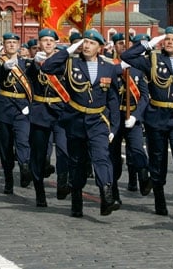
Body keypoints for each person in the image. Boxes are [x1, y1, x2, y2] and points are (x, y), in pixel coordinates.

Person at [120, 27, 173, 216]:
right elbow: (127, 56)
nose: (169, 42)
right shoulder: (153, 60)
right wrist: (146, 45)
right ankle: (159, 197)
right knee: (158, 159)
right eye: (167, 39)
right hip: (156, 117)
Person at [41, 29, 120, 217]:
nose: (86, 45)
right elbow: (47, 67)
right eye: (84, 42)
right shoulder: (71, 63)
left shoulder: (108, 67)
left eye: (92, 43)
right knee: (77, 163)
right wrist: (68, 50)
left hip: (98, 121)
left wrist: (114, 127)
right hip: (75, 119)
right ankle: (76, 198)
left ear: (100, 47)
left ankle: (106, 193)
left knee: (101, 157)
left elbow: (113, 99)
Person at [27, 28, 70, 207]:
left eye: (51, 41)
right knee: (38, 153)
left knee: (63, 150)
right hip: (40, 112)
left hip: (61, 111)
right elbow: (29, 78)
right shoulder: (34, 63)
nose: (48, 43)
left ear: (56, 43)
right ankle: (39, 190)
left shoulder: (64, 62)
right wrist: (35, 64)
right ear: (39, 44)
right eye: (44, 40)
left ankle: (62, 182)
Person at [108, 33, 152, 206]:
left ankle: (143, 176)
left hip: (132, 117)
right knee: (113, 158)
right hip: (114, 118)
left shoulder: (139, 69)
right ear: (115, 46)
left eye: (128, 44)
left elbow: (144, 97)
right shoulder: (109, 66)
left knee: (137, 150)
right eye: (120, 43)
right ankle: (114, 192)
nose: (124, 47)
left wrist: (136, 115)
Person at [0, 33, 33, 194]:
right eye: (8, 43)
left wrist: (30, 104)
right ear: (4, 45)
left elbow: (32, 85)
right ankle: (8, 179)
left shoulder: (26, 64)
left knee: (23, 140)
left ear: (18, 45)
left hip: (22, 108)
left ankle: (24, 167)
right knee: (6, 146)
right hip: (4, 108)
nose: (11, 45)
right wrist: (3, 70)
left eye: (14, 42)